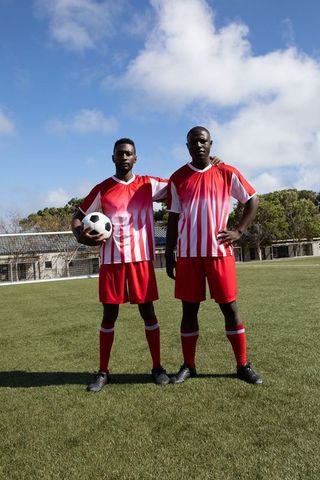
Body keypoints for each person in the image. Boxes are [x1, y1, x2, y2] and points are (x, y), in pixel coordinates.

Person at [72, 138, 170, 392]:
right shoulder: (102, 189)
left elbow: (182, 184)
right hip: (111, 261)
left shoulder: (148, 184)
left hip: (141, 261)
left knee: (148, 313)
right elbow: (77, 217)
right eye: (120, 154)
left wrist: (212, 163)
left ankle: (157, 367)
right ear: (113, 158)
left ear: (135, 158)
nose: (124, 157)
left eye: (129, 154)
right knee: (109, 316)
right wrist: (81, 236)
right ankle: (103, 372)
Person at [165, 126, 262, 385]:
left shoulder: (227, 172)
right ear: (187, 146)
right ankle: (189, 365)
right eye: (193, 142)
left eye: (203, 141)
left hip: (219, 253)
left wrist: (239, 231)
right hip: (188, 255)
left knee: (229, 308)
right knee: (189, 310)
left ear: (211, 143)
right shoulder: (178, 177)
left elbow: (252, 199)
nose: (198, 145)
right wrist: (170, 252)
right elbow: (173, 218)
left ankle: (242, 365)